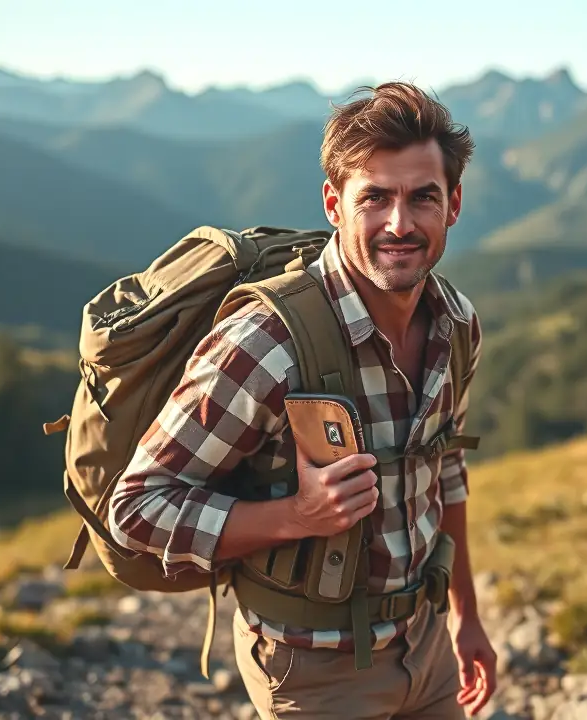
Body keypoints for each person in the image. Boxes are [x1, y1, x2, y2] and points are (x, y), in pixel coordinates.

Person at [107, 81, 497, 719]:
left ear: (452, 204)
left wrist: (466, 617)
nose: (401, 223)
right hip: (314, 672)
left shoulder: (456, 323)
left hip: (427, 652)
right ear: (334, 204)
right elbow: (137, 507)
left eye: (423, 197)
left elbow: (445, 468)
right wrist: (297, 516)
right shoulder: (267, 342)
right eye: (375, 197)